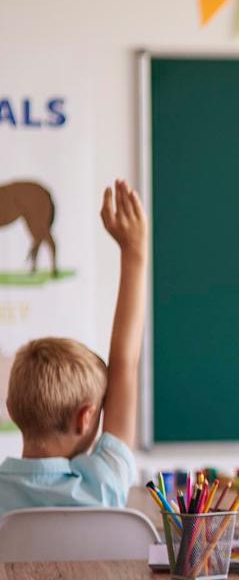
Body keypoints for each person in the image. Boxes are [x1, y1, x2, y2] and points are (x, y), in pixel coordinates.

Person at [0, 180, 146, 513]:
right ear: (86, 417)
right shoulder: (103, 486)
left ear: (11, 408)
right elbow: (125, 362)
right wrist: (134, 251)